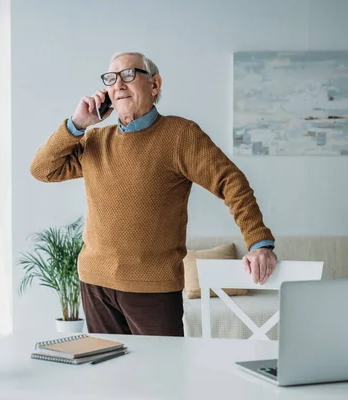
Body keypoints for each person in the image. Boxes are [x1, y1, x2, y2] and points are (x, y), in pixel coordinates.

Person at [31, 52, 277, 337]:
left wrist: (259, 243)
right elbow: (42, 170)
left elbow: (230, 181)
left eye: (128, 75)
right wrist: (76, 123)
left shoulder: (180, 135)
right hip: (94, 283)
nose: (118, 85)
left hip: (154, 288)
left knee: (162, 378)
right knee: (109, 377)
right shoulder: (95, 140)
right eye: (111, 78)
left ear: (155, 85)